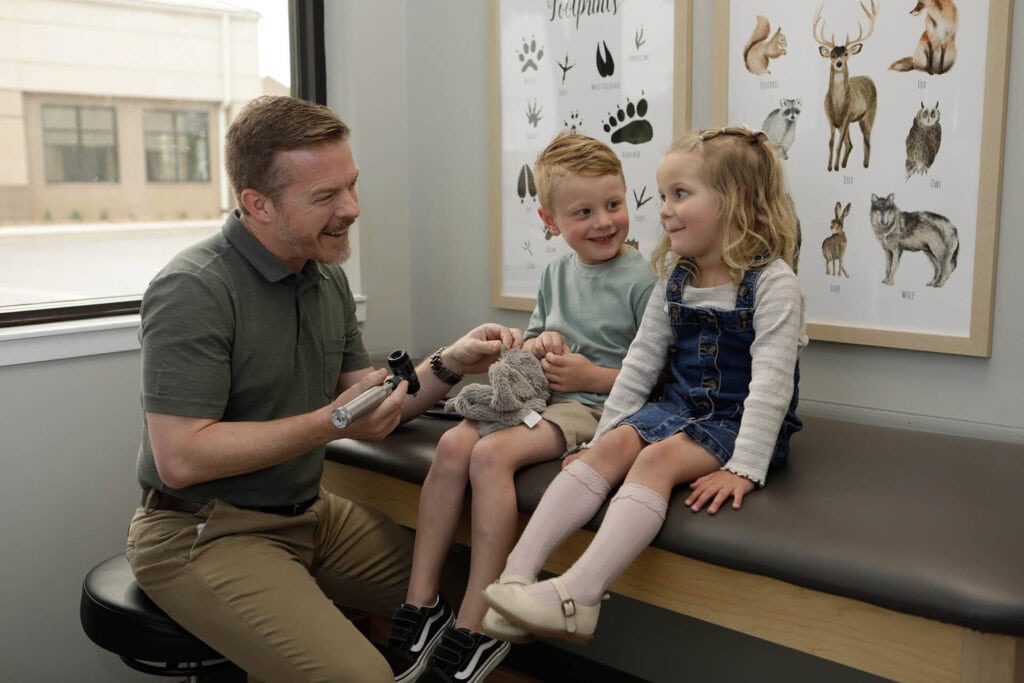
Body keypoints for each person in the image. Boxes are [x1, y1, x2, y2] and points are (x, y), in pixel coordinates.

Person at [126, 95, 522, 683]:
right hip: (202, 530)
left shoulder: (321, 275)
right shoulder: (194, 289)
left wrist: (449, 362)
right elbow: (182, 459)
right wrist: (328, 424)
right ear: (256, 204)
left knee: (486, 603)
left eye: (352, 186)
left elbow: (373, 402)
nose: (353, 209)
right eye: (325, 198)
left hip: (310, 517)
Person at [482, 125, 806, 643]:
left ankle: (579, 595)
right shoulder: (676, 277)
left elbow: (770, 387)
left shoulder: (773, 283)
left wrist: (746, 467)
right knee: (611, 448)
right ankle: (516, 577)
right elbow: (639, 364)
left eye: (680, 194)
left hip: (735, 420)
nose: (665, 210)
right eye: (662, 196)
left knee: (655, 459)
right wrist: (601, 437)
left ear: (736, 202)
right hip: (677, 406)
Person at [384, 132, 656, 682]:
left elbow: (658, 379)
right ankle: (422, 603)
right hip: (543, 397)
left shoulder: (644, 281)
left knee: (489, 456)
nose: (604, 221)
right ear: (550, 220)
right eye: (584, 211)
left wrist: (589, 374)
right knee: (455, 442)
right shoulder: (557, 273)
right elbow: (534, 337)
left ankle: (478, 622)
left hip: (593, 408)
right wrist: (539, 344)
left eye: (614, 204)